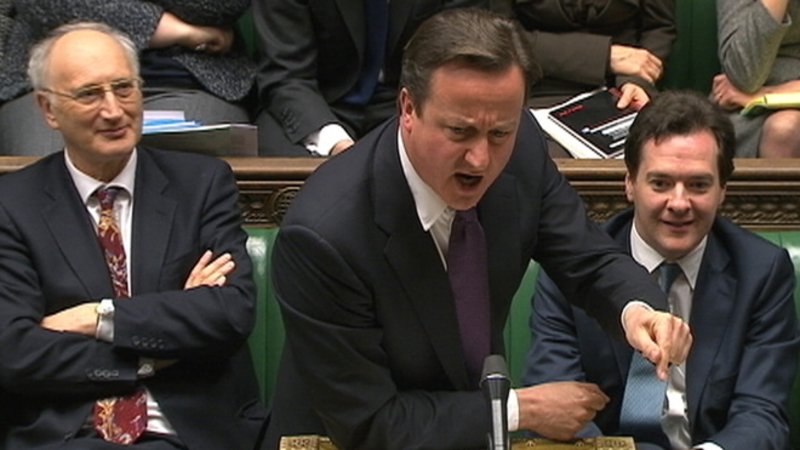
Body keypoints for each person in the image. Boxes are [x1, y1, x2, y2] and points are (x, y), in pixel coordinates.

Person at [264, 9, 691, 449]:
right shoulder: (324, 235)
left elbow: (589, 258)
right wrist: (520, 410)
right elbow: (372, 423)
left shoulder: (522, 146)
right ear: (408, 108)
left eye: (499, 133)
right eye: (459, 132)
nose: (481, 159)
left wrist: (636, 309)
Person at [0, 22, 267, 449]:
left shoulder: (200, 184)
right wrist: (150, 354)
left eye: (124, 88)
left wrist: (98, 317)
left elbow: (228, 313)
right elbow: (15, 351)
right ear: (48, 109)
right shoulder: (12, 204)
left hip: (187, 433)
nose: (113, 110)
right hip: (69, 436)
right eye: (90, 94)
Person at [524, 91, 800, 449]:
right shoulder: (572, 269)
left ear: (722, 190)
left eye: (698, 185)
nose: (679, 203)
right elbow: (554, 402)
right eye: (661, 183)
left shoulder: (761, 272)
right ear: (630, 184)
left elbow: (762, 414)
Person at [0, 0, 255, 156]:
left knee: (192, 184)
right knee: (46, 187)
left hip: (185, 78)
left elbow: (219, 6)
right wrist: (175, 30)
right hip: (59, 77)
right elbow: (48, 5)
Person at [252, 0, 489, 157]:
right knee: (283, 163)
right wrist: (336, 143)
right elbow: (286, 73)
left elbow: (458, 66)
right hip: (319, 98)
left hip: (411, 100)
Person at [494, 0, 675, 157]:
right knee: (541, 160)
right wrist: (605, 56)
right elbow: (500, 35)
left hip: (622, 86)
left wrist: (636, 80)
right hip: (539, 87)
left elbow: (658, 28)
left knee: (658, 155)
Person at [711, 0, 800, 158]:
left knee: (785, 128)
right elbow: (744, 76)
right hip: (747, 110)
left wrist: (769, 95)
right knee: (783, 131)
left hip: (756, 98)